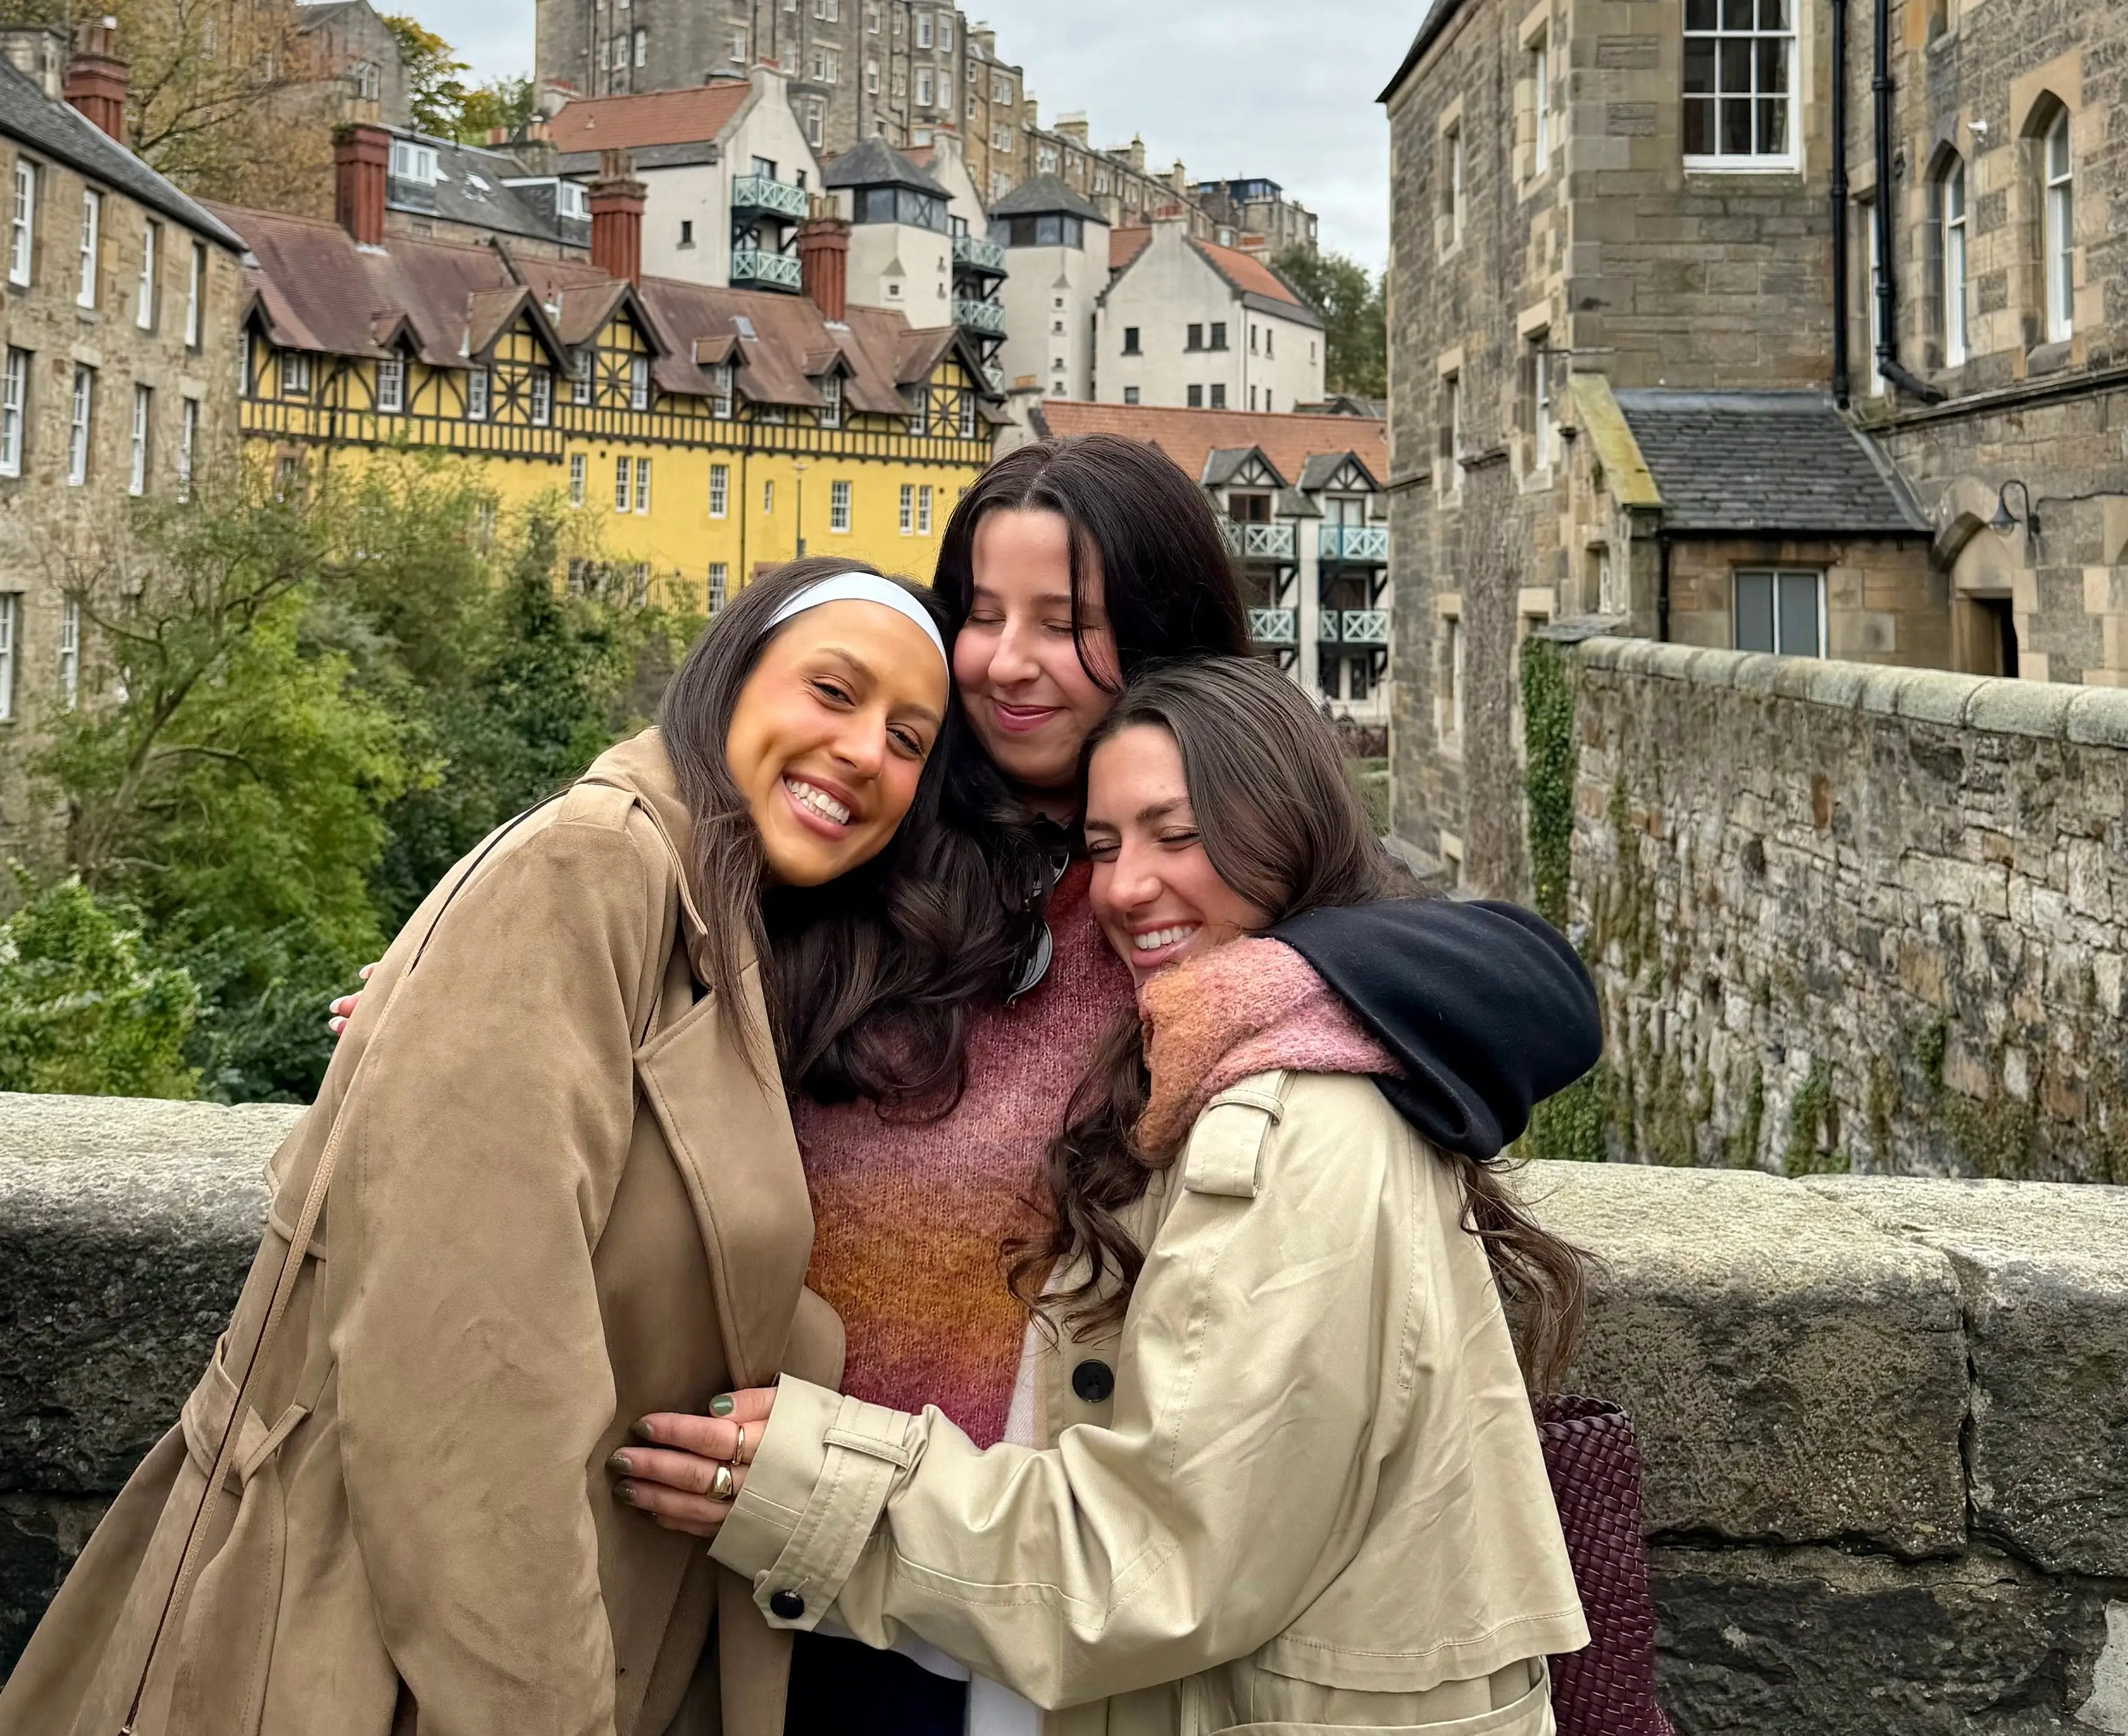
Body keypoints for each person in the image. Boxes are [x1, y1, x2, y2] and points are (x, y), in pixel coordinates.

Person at [322, 436, 1602, 1731]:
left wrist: (1265, 989)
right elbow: (659, 852)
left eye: (1066, 621)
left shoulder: (1214, 890)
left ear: (1158, 630)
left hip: (1030, 1596)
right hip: (766, 1550)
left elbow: (1528, 988)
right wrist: (486, 991)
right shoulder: (873, 833)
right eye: (979, 612)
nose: (1004, 659)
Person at [0, 561, 1026, 1736]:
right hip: (369, 1661)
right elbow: (469, 1368)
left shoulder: (715, 923)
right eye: (833, 692)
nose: (863, 752)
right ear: (729, 679)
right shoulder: (588, 869)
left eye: (908, 738)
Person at [620, 655, 1596, 1735]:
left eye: (1177, 836)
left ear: (1291, 826)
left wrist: (807, 1487)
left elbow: (1158, 1562)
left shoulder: (1297, 1122)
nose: (1128, 888)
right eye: (1103, 845)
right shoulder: (1275, 1053)